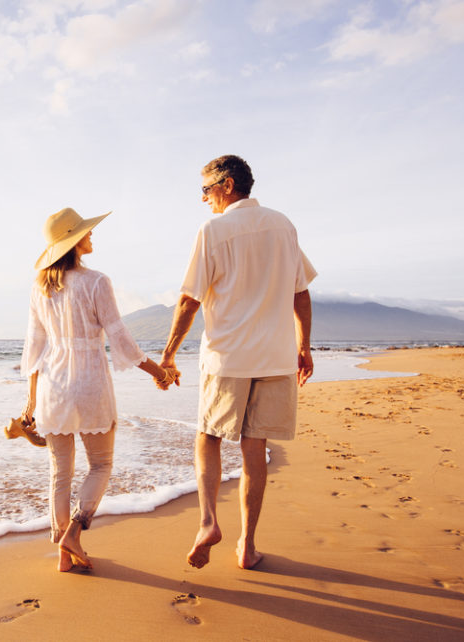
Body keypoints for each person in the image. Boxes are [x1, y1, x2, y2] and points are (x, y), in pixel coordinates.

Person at [159, 155, 316, 570]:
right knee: (254, 446)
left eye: (206, 190)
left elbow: (189, 298)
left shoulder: (214, 229)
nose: (205, 199)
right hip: (277, 356)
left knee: (208, 437)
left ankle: (209, 521)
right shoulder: (283, 224)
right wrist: (305, 347)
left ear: (227, 186)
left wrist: (169, 353)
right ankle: (247, 546)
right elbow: (301, 292)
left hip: (228, 357)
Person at [20, 207, 177, 572]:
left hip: (52, 386)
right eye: (87, 233)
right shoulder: (96, 282)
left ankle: (63, 553)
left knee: (60, 472)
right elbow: (120, 338)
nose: (93, 236)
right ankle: (75, 530)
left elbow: (33, 348)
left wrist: (30, 400)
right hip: (89, 383)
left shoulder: (40, 287)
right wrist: (158, 372)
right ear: (75, 241)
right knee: (101, 465)